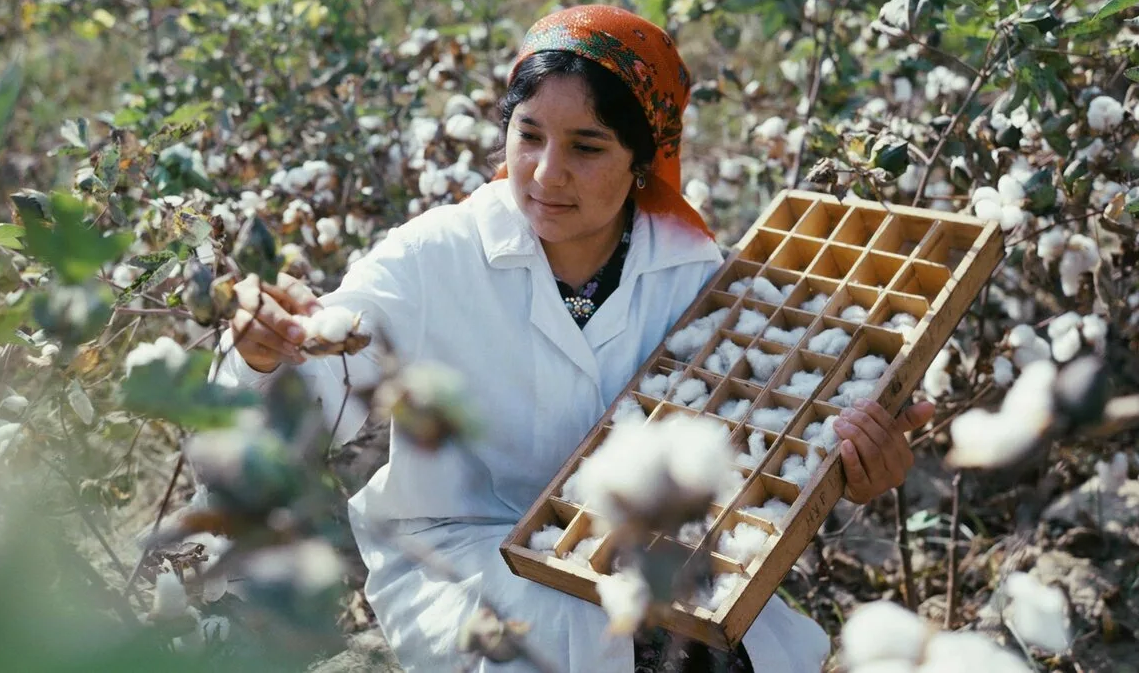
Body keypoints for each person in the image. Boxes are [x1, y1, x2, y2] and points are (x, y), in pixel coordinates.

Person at [214, 5, 935, 672]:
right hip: (467, 550)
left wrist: (850, 469)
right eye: (528, 134)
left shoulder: (692, 274)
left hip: (650, 552)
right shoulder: (435, 256)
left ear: (643, 160)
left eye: (586, 147)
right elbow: (324, 380)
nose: (545, 173)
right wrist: (265, 353)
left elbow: (755, 457)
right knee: (593, 631)